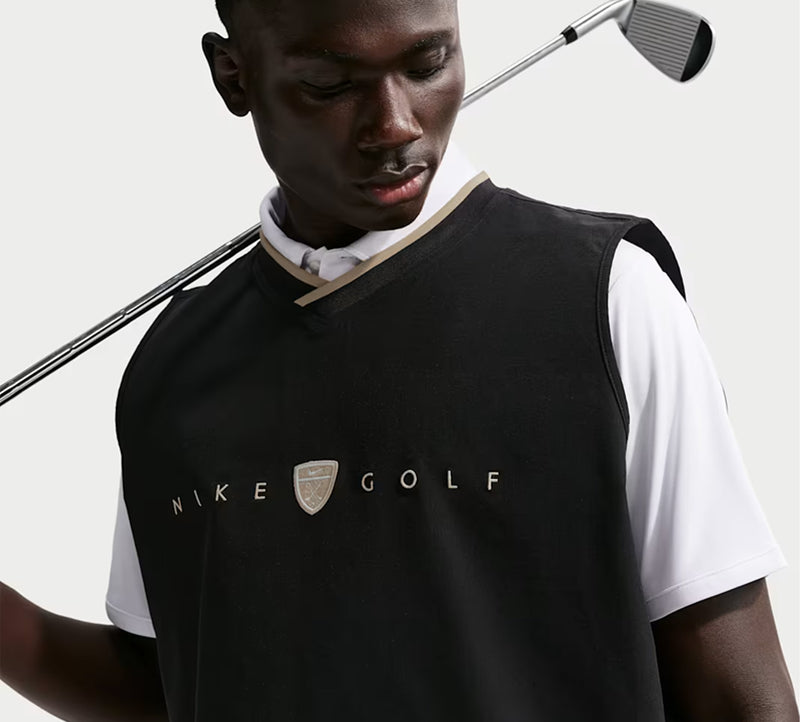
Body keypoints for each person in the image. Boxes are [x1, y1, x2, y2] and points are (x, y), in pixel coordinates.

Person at [1, 0, 797, 719]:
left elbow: (739, 699)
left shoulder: (608, 296)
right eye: (329, 85)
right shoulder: (174, 362)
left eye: (427, 63)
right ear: (233, 75)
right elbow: (173, 683)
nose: (395, 125)